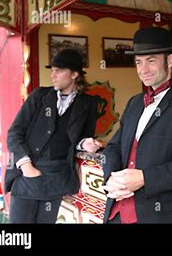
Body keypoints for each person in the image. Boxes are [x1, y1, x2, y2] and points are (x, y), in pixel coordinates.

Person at [102, 26, 172, 224]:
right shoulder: (135, 102)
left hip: (159, 214)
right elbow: (113, 146)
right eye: (138, 62)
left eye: (151, 61)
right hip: (115, 212)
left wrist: (145, 178)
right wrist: (111, 178)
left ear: (170, 60)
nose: (143, 70)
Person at [5, 49, 102, 223]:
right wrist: (26, 166)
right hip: (27, 174)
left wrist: (86, 143)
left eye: (58, 70)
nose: (53, 75)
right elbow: (14, 133)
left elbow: (80, 138)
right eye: (52, 70)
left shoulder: (88, 103)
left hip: (57, 177)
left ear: (74, 74)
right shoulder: (39, 96)